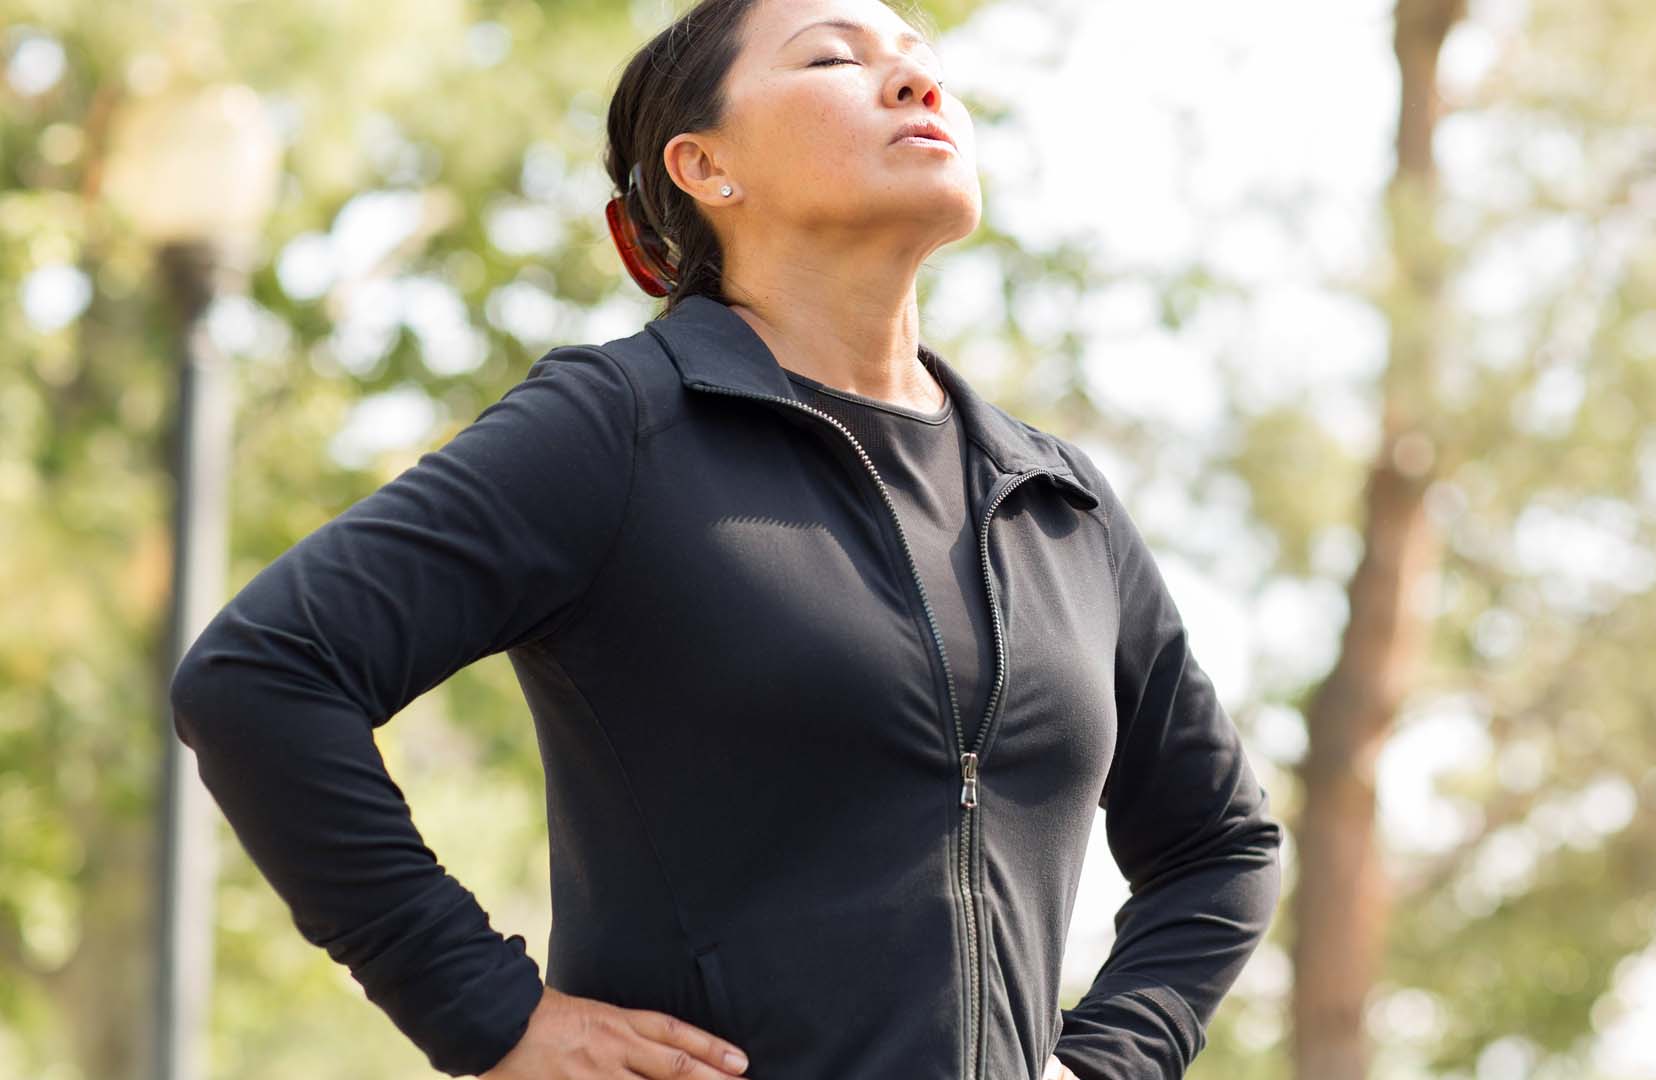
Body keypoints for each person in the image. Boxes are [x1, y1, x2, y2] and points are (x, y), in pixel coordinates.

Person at [166, 0, 1286, 1077]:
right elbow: (262, 676)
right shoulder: (618, 427)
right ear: (704, 166)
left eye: (921, 56)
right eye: (835, 58)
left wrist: (1110, 1060)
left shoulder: (1055, 499)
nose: (915, 79)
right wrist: (486, 1012)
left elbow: (1220, 844)